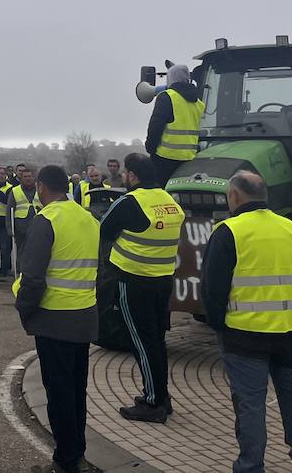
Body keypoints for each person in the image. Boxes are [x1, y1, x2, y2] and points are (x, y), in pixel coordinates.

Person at [202, 171, 292, 473]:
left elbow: (213, 290)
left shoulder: (228, 231)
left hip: (244, 337)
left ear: (235, 197)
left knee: (251, 407)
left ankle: (251, 467)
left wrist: (218, 326)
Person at [13, 164, 99, 473]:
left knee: (59, 394)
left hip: (54, 318)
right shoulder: (88, 218)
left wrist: (25, 311)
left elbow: (32, 278)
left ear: (40, 187)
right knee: (76, 391)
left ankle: (66, 461)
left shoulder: (46, 220)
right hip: (84, 316)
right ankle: (77, 452)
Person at [98, 152, 184, 422]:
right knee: (155, 341)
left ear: (132, 176)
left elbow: (103, 230)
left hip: (133, 281)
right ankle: (160, 394)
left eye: (125, 173)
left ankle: (153, 403)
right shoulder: (168, 200)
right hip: (163, 281)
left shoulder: (129, 202)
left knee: (142, 343)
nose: (124, 177)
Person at [146, 63, 204, 186]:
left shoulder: (166, 97)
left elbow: (156, 126)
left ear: (171, 78)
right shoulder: (199, 102)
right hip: (189, 158)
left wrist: (150, 148)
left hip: (165, 158)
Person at [8, 166, 39, 276]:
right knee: (21, 253)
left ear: (33, 177)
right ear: (21, 178)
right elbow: (9, 211)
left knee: (36, 253)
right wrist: (9, 228)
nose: (27, 178)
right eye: (25, 176)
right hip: (21, 227)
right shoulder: (15, 191)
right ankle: (20, 275)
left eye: (29, 176)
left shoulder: (40, 189)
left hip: (37, 226)